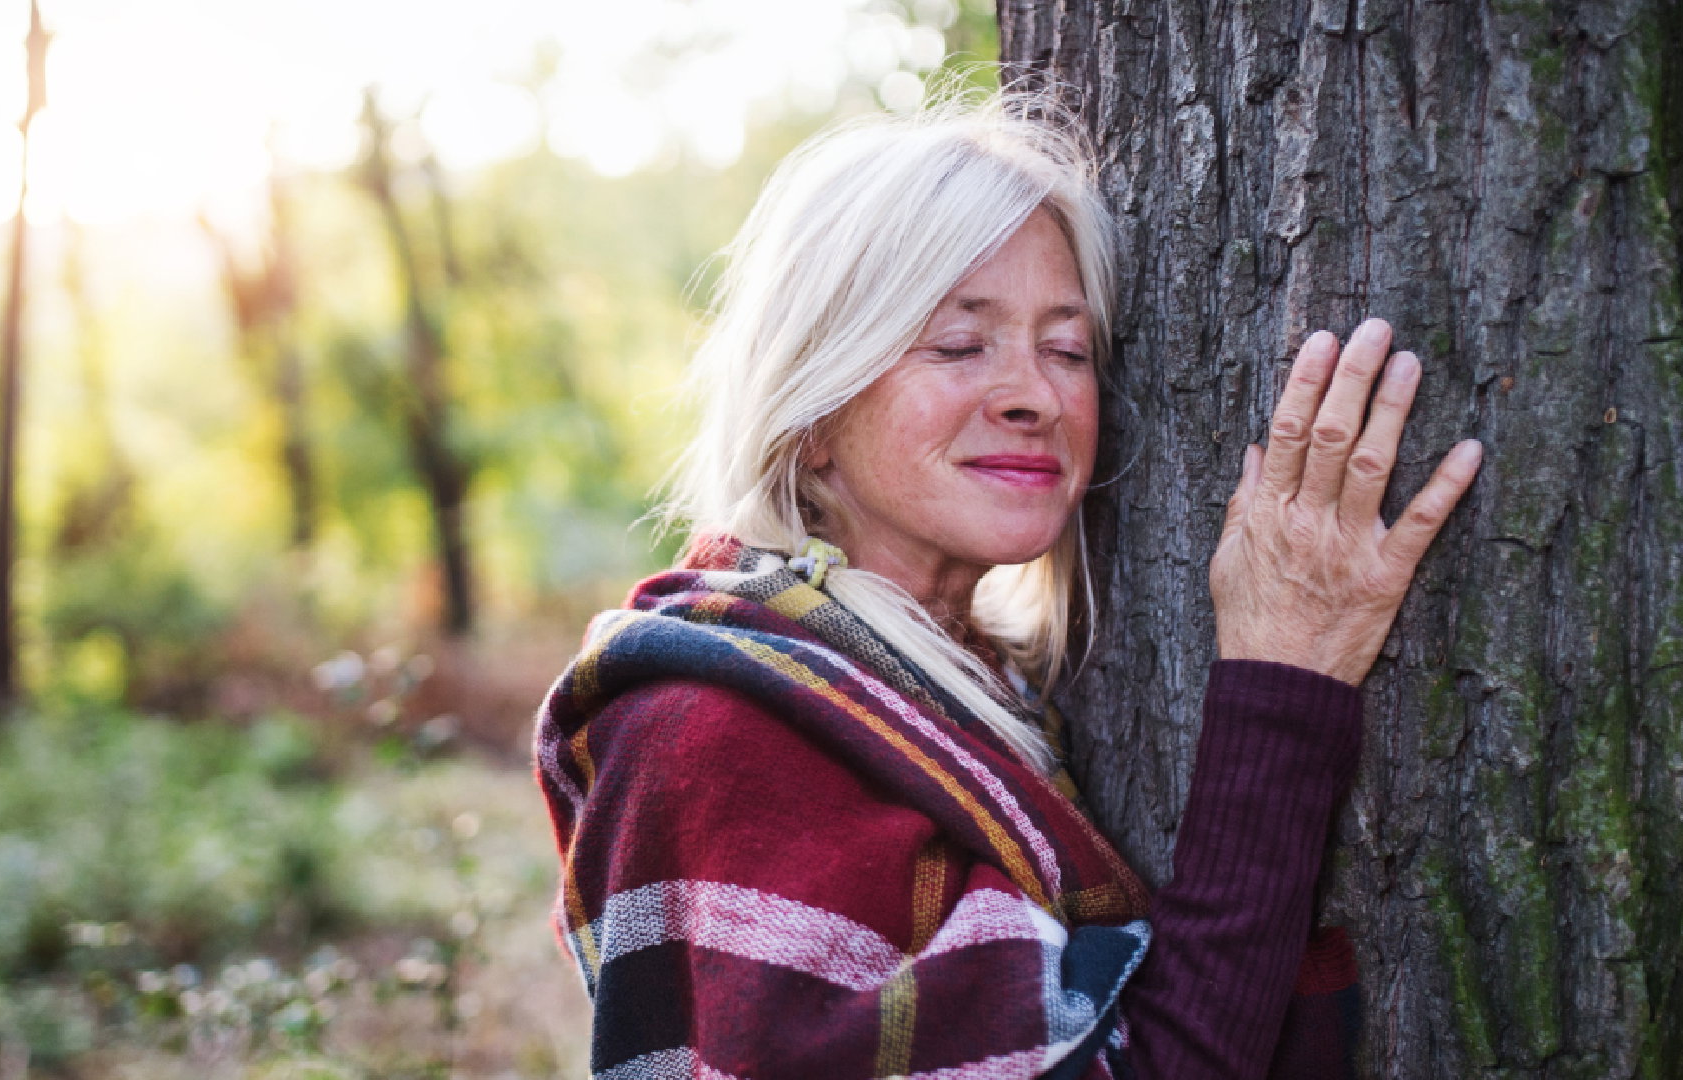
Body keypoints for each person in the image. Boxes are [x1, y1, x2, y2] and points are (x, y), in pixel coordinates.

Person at [533, 90, 1482, 1080]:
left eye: (1068, 349)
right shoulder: (709, 733)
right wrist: (1284, 681)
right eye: (958, 343)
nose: (1037, 395)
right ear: (810, 414)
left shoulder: (999, 692)